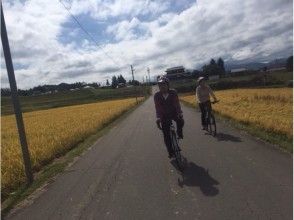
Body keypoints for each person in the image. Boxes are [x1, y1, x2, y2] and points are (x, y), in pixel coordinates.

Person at [154, 76, 184, 158]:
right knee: (166, 135)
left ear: (168, 85)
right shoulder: (157, 95)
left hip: (173, 112)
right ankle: (170, 151)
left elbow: (176, 104)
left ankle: (179, 133)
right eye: (160, 85)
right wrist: (158, 117)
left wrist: (179, 112)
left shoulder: (173, 92)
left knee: (181, 120)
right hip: (164, 116)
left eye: (164, 84)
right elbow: (158, 107)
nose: (162, 87)